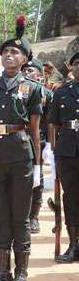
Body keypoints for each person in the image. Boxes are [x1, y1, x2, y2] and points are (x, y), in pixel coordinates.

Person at [0, 15, 41, 281]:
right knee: (1, 216)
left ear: (25, 58)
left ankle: (21, 275)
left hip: (21, 157)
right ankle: (2, 271)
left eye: (15, 51)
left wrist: (37, 164)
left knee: (20, 218)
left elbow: (36, 130)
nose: (8, 55)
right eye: (5, 52)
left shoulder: (33, 88)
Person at [48, 51, 79, 263]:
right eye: (76, 64)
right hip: (67, 149)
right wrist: (52, 149)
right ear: (71, 67)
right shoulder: (61, 92)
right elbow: (53, 122)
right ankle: (74, 244)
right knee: (71, 197)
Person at [21, 58, 53, 234]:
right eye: (25, 69)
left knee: (37, 180)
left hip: (38, 141)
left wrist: (48, 144)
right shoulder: (18, 90)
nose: (27, 72)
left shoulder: (47, 94)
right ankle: (22, 215)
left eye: (31, 70)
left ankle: (34, 216)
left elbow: (50, 121)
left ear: (39, 74)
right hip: (19, 139)